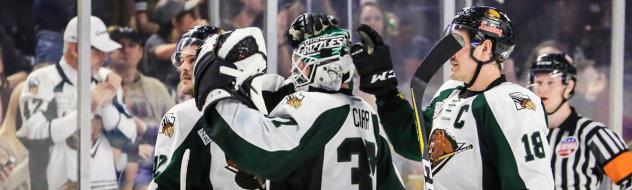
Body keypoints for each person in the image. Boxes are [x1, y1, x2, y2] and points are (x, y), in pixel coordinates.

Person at [353, 6, 554, 189]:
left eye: (457, 43)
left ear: (485, 49)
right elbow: (415, 142)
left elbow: (530, 184)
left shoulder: (511, 104)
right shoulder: (449, 92)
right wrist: (386, 91)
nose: (450, 54)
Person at [193, 25, 405, 189]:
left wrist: (216, 95)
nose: (297, 71)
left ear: (325, 68)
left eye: (305, 64)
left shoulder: (316, 107)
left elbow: (261, 151)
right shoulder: (366, 113)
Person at [16, 16, 137, 190]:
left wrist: (107, 107)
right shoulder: (40, 80)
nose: (105, 58)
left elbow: (129, 138)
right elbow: (34, 135)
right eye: (99, 51)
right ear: (75, 50)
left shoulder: (107, 80)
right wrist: (86, 108)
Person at [150, 26, 273, 189]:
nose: (184, 68)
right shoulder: (266, 107)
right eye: (181, 60)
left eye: (193, 60)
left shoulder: (183, 115)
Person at [528, 53, 632, 189]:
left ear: (569, 86)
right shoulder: (525, 134)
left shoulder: (594, 134)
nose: (543, 89)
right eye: (539, 83)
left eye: (551, 82)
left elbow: (629, 179)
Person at [108, 26, 174, 190]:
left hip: (155, 158)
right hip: (114, 158)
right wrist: (131, 149)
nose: (125, 49)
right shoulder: (99, 85)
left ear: (141, 53)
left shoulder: (156, 88)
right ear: (109, 51)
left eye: (131, 45)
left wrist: (156, 146)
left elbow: (173, 128)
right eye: (120, 44)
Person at [144, 0, 206, 91]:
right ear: (175, 21)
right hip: (162, 97)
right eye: (188, 14)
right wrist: (194, 37)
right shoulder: (155, 40)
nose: (193, 18)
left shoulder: (185, 40)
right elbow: (160, 52)